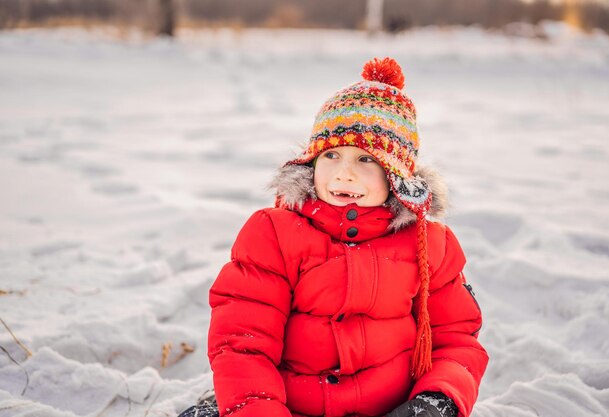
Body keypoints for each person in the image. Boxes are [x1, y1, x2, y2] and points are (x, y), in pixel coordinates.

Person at [178, 57, 488, 417]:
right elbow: (243, 343)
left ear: (398, 175)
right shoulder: (274, 233)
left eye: (366, 160)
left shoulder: (429, 243)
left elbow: (456, 339)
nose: (344, 175)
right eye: (332, 155)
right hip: (287, 406)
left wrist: (438, 401)